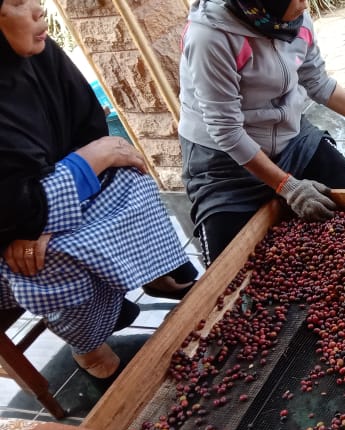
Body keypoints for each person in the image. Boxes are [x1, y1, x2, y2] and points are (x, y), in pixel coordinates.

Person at [0, 0, 197, 378]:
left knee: (131, 177)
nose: (38, 9)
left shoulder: (38, 52)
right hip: (10, 234)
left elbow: (87, 125)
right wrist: (30, 221)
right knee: (51, 259)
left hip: (50, 193)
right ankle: (87, 345)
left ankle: (152, 270)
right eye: (18, 2)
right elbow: (10, 202)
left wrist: (89, 163)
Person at [179, 0, 345, 264]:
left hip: (290, 139)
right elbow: (226, 130)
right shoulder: (209, 38)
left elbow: (318, 81)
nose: (305, 4)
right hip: (224, 163)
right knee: (230, 267)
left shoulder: (295, 19)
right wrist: (288, 186)